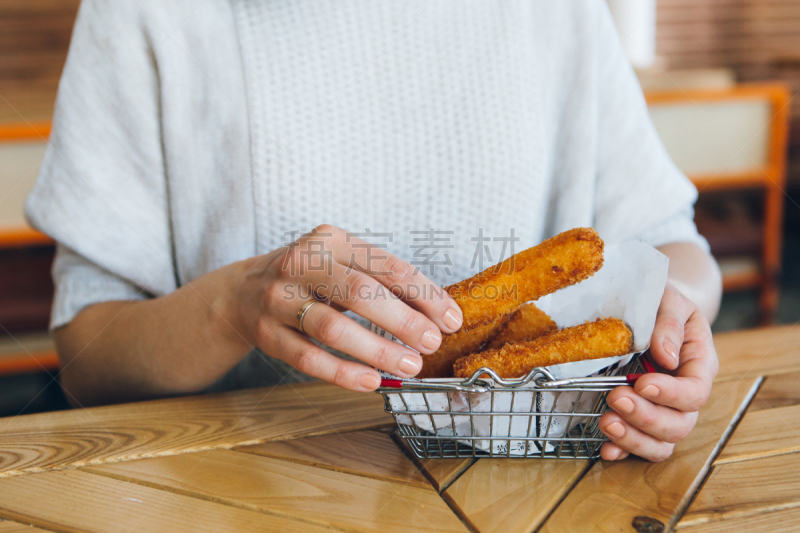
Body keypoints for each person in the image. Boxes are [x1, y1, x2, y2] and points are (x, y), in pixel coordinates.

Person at [26, 0, 721, 463]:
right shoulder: (144, 13)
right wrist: (231, 305)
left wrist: (667, 332)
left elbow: (674, 247)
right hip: (236, 491)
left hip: (535, 487)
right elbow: (84, 357)